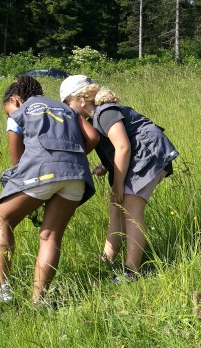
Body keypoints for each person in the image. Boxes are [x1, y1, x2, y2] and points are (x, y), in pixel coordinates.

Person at [0, 75, 99, 309]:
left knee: (4, 219)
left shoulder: (22, 111)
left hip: (41, 170)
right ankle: (39, 301)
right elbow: (92, 137)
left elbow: (17, 161)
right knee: (50, 236)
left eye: (7, 111)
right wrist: (71, 159)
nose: (8, 115)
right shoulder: (66, 107)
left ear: (15, 100)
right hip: (77, 175)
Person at [61, 75, 178, 281]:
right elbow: (117, 147)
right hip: (139, 156)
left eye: (67, 104)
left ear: (80, 99)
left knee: (131, 208)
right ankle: (108, 257)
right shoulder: (95, 118)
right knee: (116, 205)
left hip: (147, 155)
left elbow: (123, 146)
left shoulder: (105, 112)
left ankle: (131, 271)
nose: (68, 110)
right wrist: (106, 166)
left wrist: (117, 185)